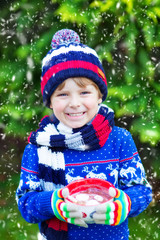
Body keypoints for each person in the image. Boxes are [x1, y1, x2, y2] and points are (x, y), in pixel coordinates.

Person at [16, 29, 152, 240]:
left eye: (85, 92)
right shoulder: (38, 148)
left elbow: (142, 191)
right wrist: (54, 203)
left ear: (100, 96)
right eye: (62, 94)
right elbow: (26, 204)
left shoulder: (118, 140)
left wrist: (124, 203)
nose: (75, 103)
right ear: (50, 101)